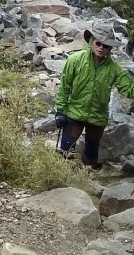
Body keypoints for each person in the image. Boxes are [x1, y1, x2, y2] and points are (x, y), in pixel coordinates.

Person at [55, 22, 134, 168]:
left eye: (107, 46)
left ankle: (87, 181)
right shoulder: (75, 60)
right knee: (65, 152)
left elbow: (128, 88)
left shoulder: (115, 69)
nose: (101, 48)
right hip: (74, 114)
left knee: (91, 158)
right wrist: (60, 110)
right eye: (98, 43)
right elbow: (64, 87)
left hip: (98, 118)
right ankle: (63, 180)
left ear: (110, 48)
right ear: (92, 41)